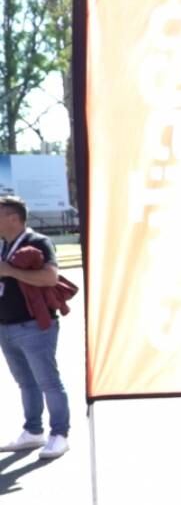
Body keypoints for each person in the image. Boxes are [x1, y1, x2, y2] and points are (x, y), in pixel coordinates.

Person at [0, 195, 71, 459]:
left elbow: (50, 277)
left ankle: (60, 434)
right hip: (6, 326)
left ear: (13, 218)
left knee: (48, 382)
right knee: (25, 383)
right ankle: (33, 432)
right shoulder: (3, 246)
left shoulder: (38, 242)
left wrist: (9, 270)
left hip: (34, 325)